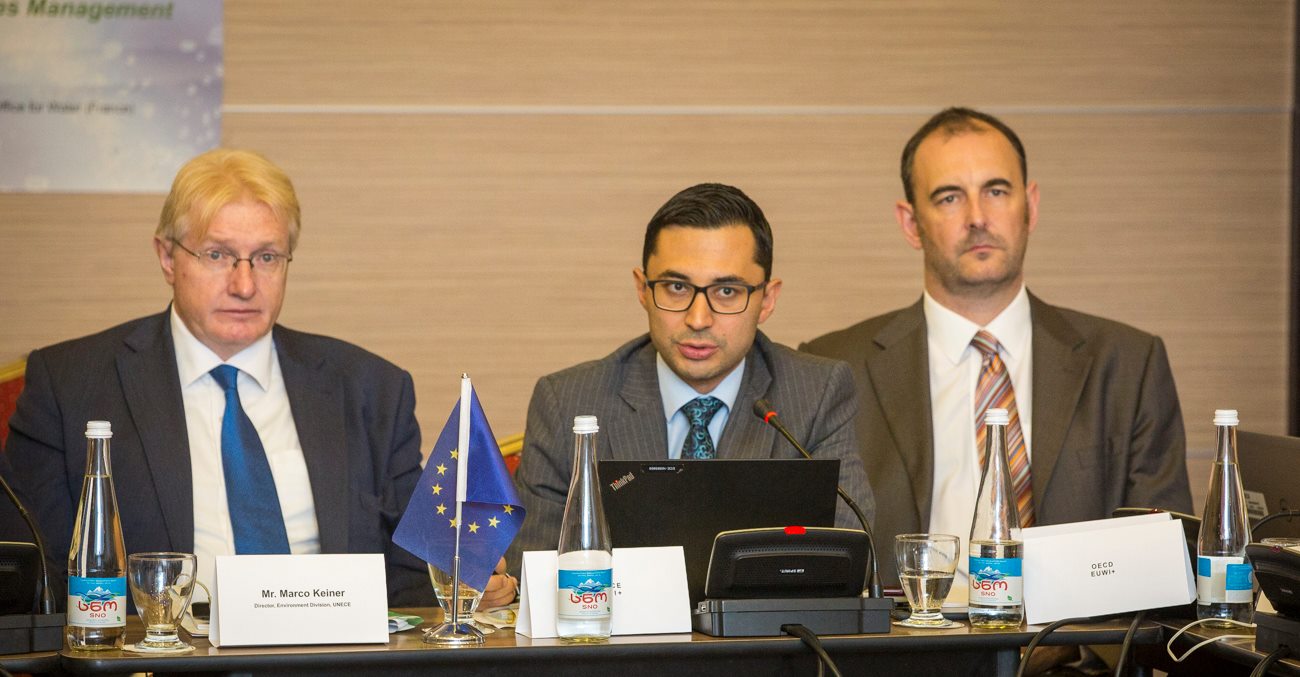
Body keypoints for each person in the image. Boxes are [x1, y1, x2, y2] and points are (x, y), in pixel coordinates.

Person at [1, 148, 511, 608]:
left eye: (266, 257)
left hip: (332, 661)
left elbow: (409, 578)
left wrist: (463, 582)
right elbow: (35, 581)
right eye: (217, 255)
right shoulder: (71, 386)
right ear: (167, 257)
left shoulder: (370, 389)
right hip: (161, 660)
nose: (244, 285)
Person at [802, 107, 1193, 589]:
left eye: (997, 191)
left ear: (1031, 206)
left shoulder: (1128, 365)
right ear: (910, 223)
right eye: (949, 197)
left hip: (1078, 636)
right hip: (904, 633)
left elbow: (1163, 560)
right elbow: (813, 558)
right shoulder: (834, 369)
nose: (978, 218)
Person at [509, 183, 875, 562]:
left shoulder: (817, 394)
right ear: (643, 289)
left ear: (767, 299)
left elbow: (845, 556)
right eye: (676, 287)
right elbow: (535, 564)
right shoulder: (567, 401)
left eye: (727, 291)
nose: (698, 319)